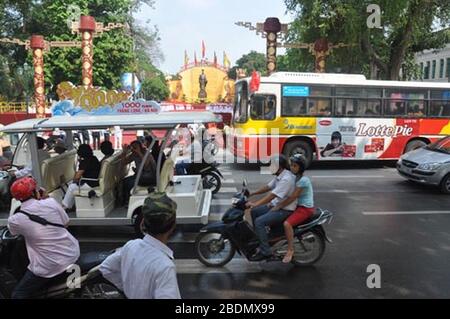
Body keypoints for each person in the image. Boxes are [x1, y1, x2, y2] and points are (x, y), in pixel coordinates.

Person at [7, 177, 80, 299]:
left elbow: (13, 232)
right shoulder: (50, 203)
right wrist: (46, 198)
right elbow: (65, 223)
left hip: (49, 265)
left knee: (17, 294)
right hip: (71, 253)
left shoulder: (16, 220)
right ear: (35, 192)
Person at [100, 192, 181, 299]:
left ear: (143, 222)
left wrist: (126, 286)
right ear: (173, 226)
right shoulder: (165, 267)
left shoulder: (130, 246)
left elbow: (106, 268)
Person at [245, 154, 296, 261]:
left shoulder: (286, 179)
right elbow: (268, 187)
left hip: (285, 210)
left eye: (272, 165)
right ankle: (261, 240)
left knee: (259, 222)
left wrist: (255, 203)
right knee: (254, 212)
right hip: (276, 206)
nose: (270, 167)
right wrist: (252, 193)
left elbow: (272, 195)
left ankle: (265, 251)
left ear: (280, 167)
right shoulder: (280, 176)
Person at [271, 154, 315, 263]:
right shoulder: (295, 177)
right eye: (291, 165)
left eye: (295, 166)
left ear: (301, 167)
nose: (292, 168)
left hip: (305, 208)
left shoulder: (303, 180)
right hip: (297, 206)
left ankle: (290, 249)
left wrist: (278, 206)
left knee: (287, 224)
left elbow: (292, 197)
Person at [62, 144, 101, 210]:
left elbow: (76, 178)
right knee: (72, 185)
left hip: (90, 184)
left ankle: (64, 206)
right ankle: (70, 205)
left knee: (71, 187)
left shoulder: (84, 162)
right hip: (95, 181)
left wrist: (78, 166)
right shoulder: (94, 158)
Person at [122, 140, 157, 205]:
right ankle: (126, 200)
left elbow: (146, 164)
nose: (133, 149)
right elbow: (124, 162)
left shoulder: (147, 153)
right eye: (132, 147)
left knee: (130, 184)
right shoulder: (134, 155)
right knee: (125, 181)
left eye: (135, 147)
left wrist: (139, 152)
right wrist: (124, 152)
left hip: (148, 177)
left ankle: (129, 201)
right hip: (140, 175)